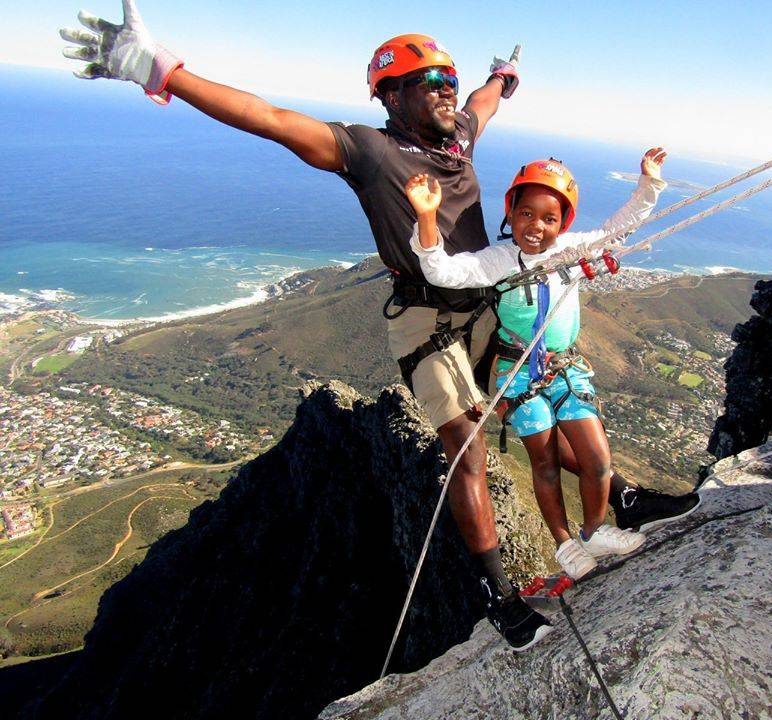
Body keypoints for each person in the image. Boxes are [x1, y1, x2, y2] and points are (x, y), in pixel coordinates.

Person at [59, 1, 696, 652]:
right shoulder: (370, 150)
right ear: (392, 96)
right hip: (426, 321)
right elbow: (273, 120)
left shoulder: (460, 135)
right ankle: (496, 595)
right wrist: (163, 71)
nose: (449, 93)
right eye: (432, 83)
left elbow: (484, 101)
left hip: (482, 304)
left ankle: (621, 497)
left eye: (449, 81)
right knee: (469, 446)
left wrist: (502, 76)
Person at [405, 152, 697, 579]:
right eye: (526, 214)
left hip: (566, 366)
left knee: (597, 458)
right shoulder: (499, 261)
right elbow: (441, 272)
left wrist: (649, 185)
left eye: (549, 219)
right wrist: (427, 218)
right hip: (518, 371)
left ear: (563, 224)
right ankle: (565, 545)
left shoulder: (571, 251)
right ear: (511, 213)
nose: (536, 228)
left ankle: (595, 529)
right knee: (543, 462)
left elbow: (620, 226)